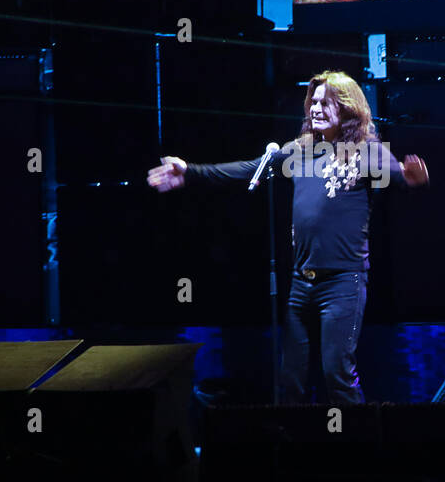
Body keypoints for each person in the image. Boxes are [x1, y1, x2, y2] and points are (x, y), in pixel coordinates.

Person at [147, 70, 428, 403]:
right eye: (314, 102)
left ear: (348, 108)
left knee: (336, 374)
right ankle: (292, 447)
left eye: (327, 103)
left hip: (342, 283)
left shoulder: (365, 150)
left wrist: (412, 180)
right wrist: (190, 172)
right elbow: (249, 168)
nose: (317, 109)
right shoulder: (300, 152)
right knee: (291, 379)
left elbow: (399, 178)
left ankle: (359, 448)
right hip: (301, 283)